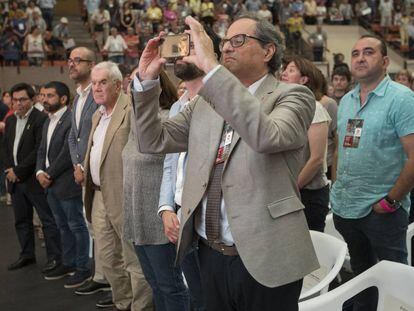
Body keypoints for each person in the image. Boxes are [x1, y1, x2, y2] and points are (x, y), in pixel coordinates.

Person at [132, 14, 318, 311]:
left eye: (239, 40)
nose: (227, 47)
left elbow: (266, 136)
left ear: (268, 51)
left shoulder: (293, 96)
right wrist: (147, 81)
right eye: (225, 41)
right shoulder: (207, 102)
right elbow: (153, 140)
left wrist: (211, 69)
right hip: (211, 254)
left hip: (267, 255)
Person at [331, 35, 414, 311]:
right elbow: (342, 150)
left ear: (386, 61)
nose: (360, 58)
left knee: (395, 283)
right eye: (355, 53)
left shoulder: (402, 98)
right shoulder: (346, 101)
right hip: (347, 208)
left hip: (383, 211)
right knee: (363, 275)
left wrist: (390, 200)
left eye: (369, 52)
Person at [83, 61, 153, 311]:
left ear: (117, 85)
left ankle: (141, 307)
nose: (97, 88)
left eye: (102, 82)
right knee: (109, 259)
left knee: (134, 261)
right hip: (99, 196)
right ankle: (123, 303)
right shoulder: (96, 115)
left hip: (126, 196)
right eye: (93, 83)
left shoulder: (131, 109)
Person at [122, 69, 191, 311]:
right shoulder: (133, 121)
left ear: (155, 87)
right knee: (154, 283)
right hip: (138, 218)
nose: (131, 86)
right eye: (130, 82)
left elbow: (174, 171)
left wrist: (167, 208)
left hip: (159, 221)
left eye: (137, 82)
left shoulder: (165, 121)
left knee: (170, 285)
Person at [36, 81, 91, 288]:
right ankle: (68, 263)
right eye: (42, 95)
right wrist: (40, 171)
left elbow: (68, 154)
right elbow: (42, 149)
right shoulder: (47, 120)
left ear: (63, 99)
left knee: (76, 226)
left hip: (66, 183)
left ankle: (83, 268)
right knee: (61, 226)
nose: (44, 99)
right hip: (50, 184)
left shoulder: (69, 119)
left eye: (49, 95)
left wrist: (48, 173)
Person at [66, 47, 111, 298]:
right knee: (94, 228)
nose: (71, 64)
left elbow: (102, 136)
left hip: (101, 176)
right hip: (84, 173)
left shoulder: (99, 94)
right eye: (70, 60)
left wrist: (85, 165)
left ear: (92, 64)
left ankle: (111, 282)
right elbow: (74, 136)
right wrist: (77, 164)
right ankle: (101, 276)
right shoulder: (78, 97)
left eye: (78, 60)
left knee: (105, 231)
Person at [2, 83, 61, 272]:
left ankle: (55, 257)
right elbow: (5, 148)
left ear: (33, 99)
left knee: (47, 220)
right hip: (15, 181)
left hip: (33, 180)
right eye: (15, 100)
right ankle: (27, 254)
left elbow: (38, 150)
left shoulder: (40, 119)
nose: (18, 103)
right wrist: (9, 169)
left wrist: (18, 171)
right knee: (21, 221)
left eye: (23, 99)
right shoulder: (10, 121)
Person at [281, 58, 331, 232]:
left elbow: (316, 159)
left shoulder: (314, 108)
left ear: (304, 80)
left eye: (291, 70)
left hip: (309, 193)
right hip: (289, 191)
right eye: (285, 69)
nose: (284, 73)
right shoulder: (285, 108)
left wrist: (292, 188)